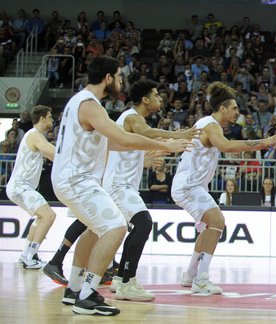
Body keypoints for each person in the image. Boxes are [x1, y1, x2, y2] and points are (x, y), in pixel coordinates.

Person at [52, 56, 191, 316]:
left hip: (70, 179)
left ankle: (74, 289)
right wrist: (167, 144)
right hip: (77, 180)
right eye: (118, 76)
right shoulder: (90, 104)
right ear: (107, 78)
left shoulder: (80, 102)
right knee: (117, 226)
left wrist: (150, 150)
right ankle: (89, 294)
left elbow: (112, 144)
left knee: (94, 230)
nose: (120, 81)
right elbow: (123, 139)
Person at [172, 81, 276, 295]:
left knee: (210, 226)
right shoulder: (211, 125)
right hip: (189, 186)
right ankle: (202, 279)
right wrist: (265, 142)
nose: (237, 111)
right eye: (234, 108)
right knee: (217, 222)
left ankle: (189, 275)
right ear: (222, 108)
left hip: (192, 186)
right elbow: (226, 147)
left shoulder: (205, 123)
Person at [103, 79, 200, 302]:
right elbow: (146, 132)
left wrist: (145, 160)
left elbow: (127, 152)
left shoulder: (131, 120)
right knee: (144, 223)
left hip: (121, 184)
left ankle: (120, 278)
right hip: (118, 186)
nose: (160, 98)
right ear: (145, 100)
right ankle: (127, 281)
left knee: (136, 227)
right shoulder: (132, 117)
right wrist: (177, 136)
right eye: (156, 95)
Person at [6, 105, 56, 269]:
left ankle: (25, 255)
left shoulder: (36, 136)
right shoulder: (35, 135)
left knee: (41, 218)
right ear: (42, 118)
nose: (52, 119)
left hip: (21, 186)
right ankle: (31, 256)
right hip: (20, 186)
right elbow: (52, 153)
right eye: (49, 116)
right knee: (48, 215)